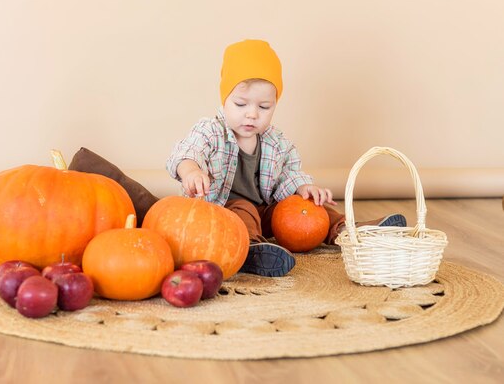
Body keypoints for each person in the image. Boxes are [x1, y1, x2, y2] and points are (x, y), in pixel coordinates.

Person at [166, 39, 406, 277]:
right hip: (224, 213)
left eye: (264, 107)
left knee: (309, 207)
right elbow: (187, 152)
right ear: (224, 100)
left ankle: (351, 231)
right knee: (243, 207)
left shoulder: (275, 141)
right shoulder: (210, 130)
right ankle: (249, 250)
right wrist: (191, 171)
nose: (252, 114)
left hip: (265, 212)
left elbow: (290, 173)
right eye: (240, 104)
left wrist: (305, 187)